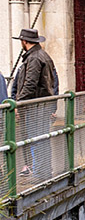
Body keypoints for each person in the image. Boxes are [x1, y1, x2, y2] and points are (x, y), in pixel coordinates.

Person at [11, 28, 56, 178]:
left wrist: (18, 103)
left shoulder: (34, 58)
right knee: (41, 139)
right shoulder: (42, 55)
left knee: (37, 139)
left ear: (24, 41)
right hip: (41, 105)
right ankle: (43, 171)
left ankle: (41, 173)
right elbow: (52, 82)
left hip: (35, 106)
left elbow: (30, 84)